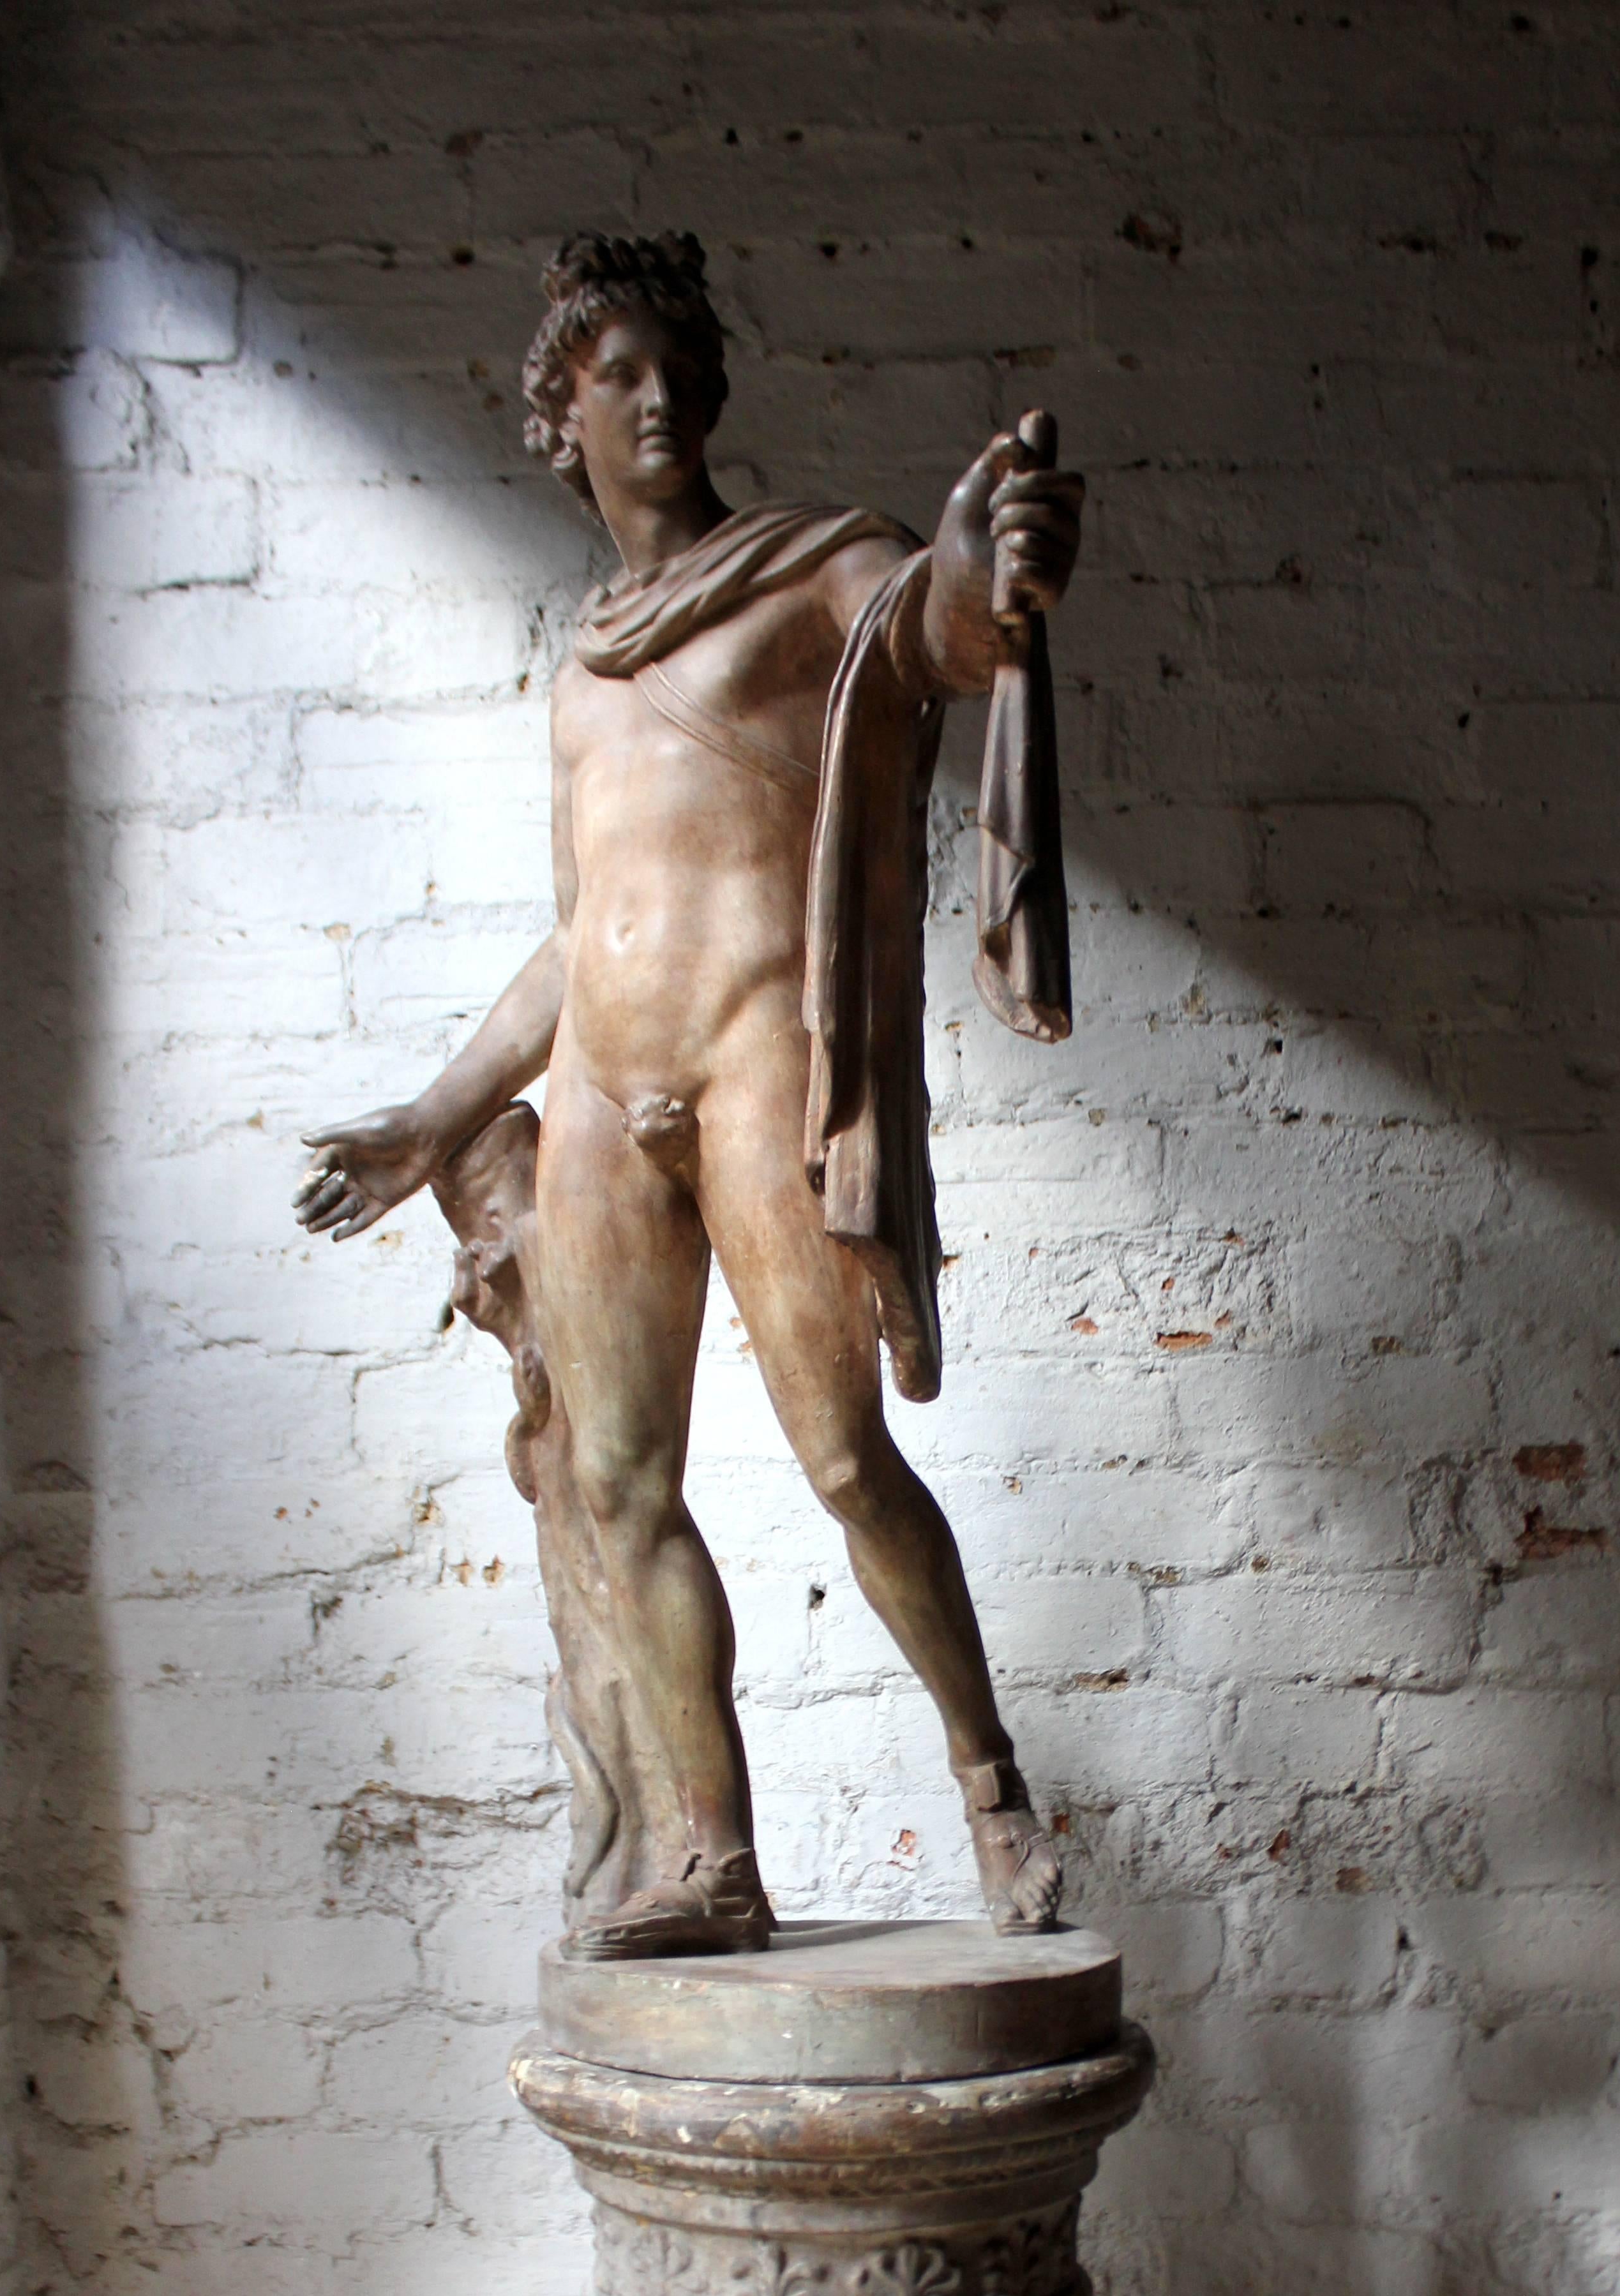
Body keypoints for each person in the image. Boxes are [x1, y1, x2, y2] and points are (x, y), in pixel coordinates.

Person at [293, 232, 1084, 1959]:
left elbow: (930, 625)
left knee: (844, 1457)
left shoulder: (806, 568)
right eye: (618, 376)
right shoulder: (580, 676)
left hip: (753, 1065)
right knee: (620, 1481)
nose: (658, 402)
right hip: (599, 1095)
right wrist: (441, 1115)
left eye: (680, 371)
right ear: (558, 414)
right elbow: (586, 936)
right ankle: (711, 1856)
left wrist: (987, 568)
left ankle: (989, 1783)